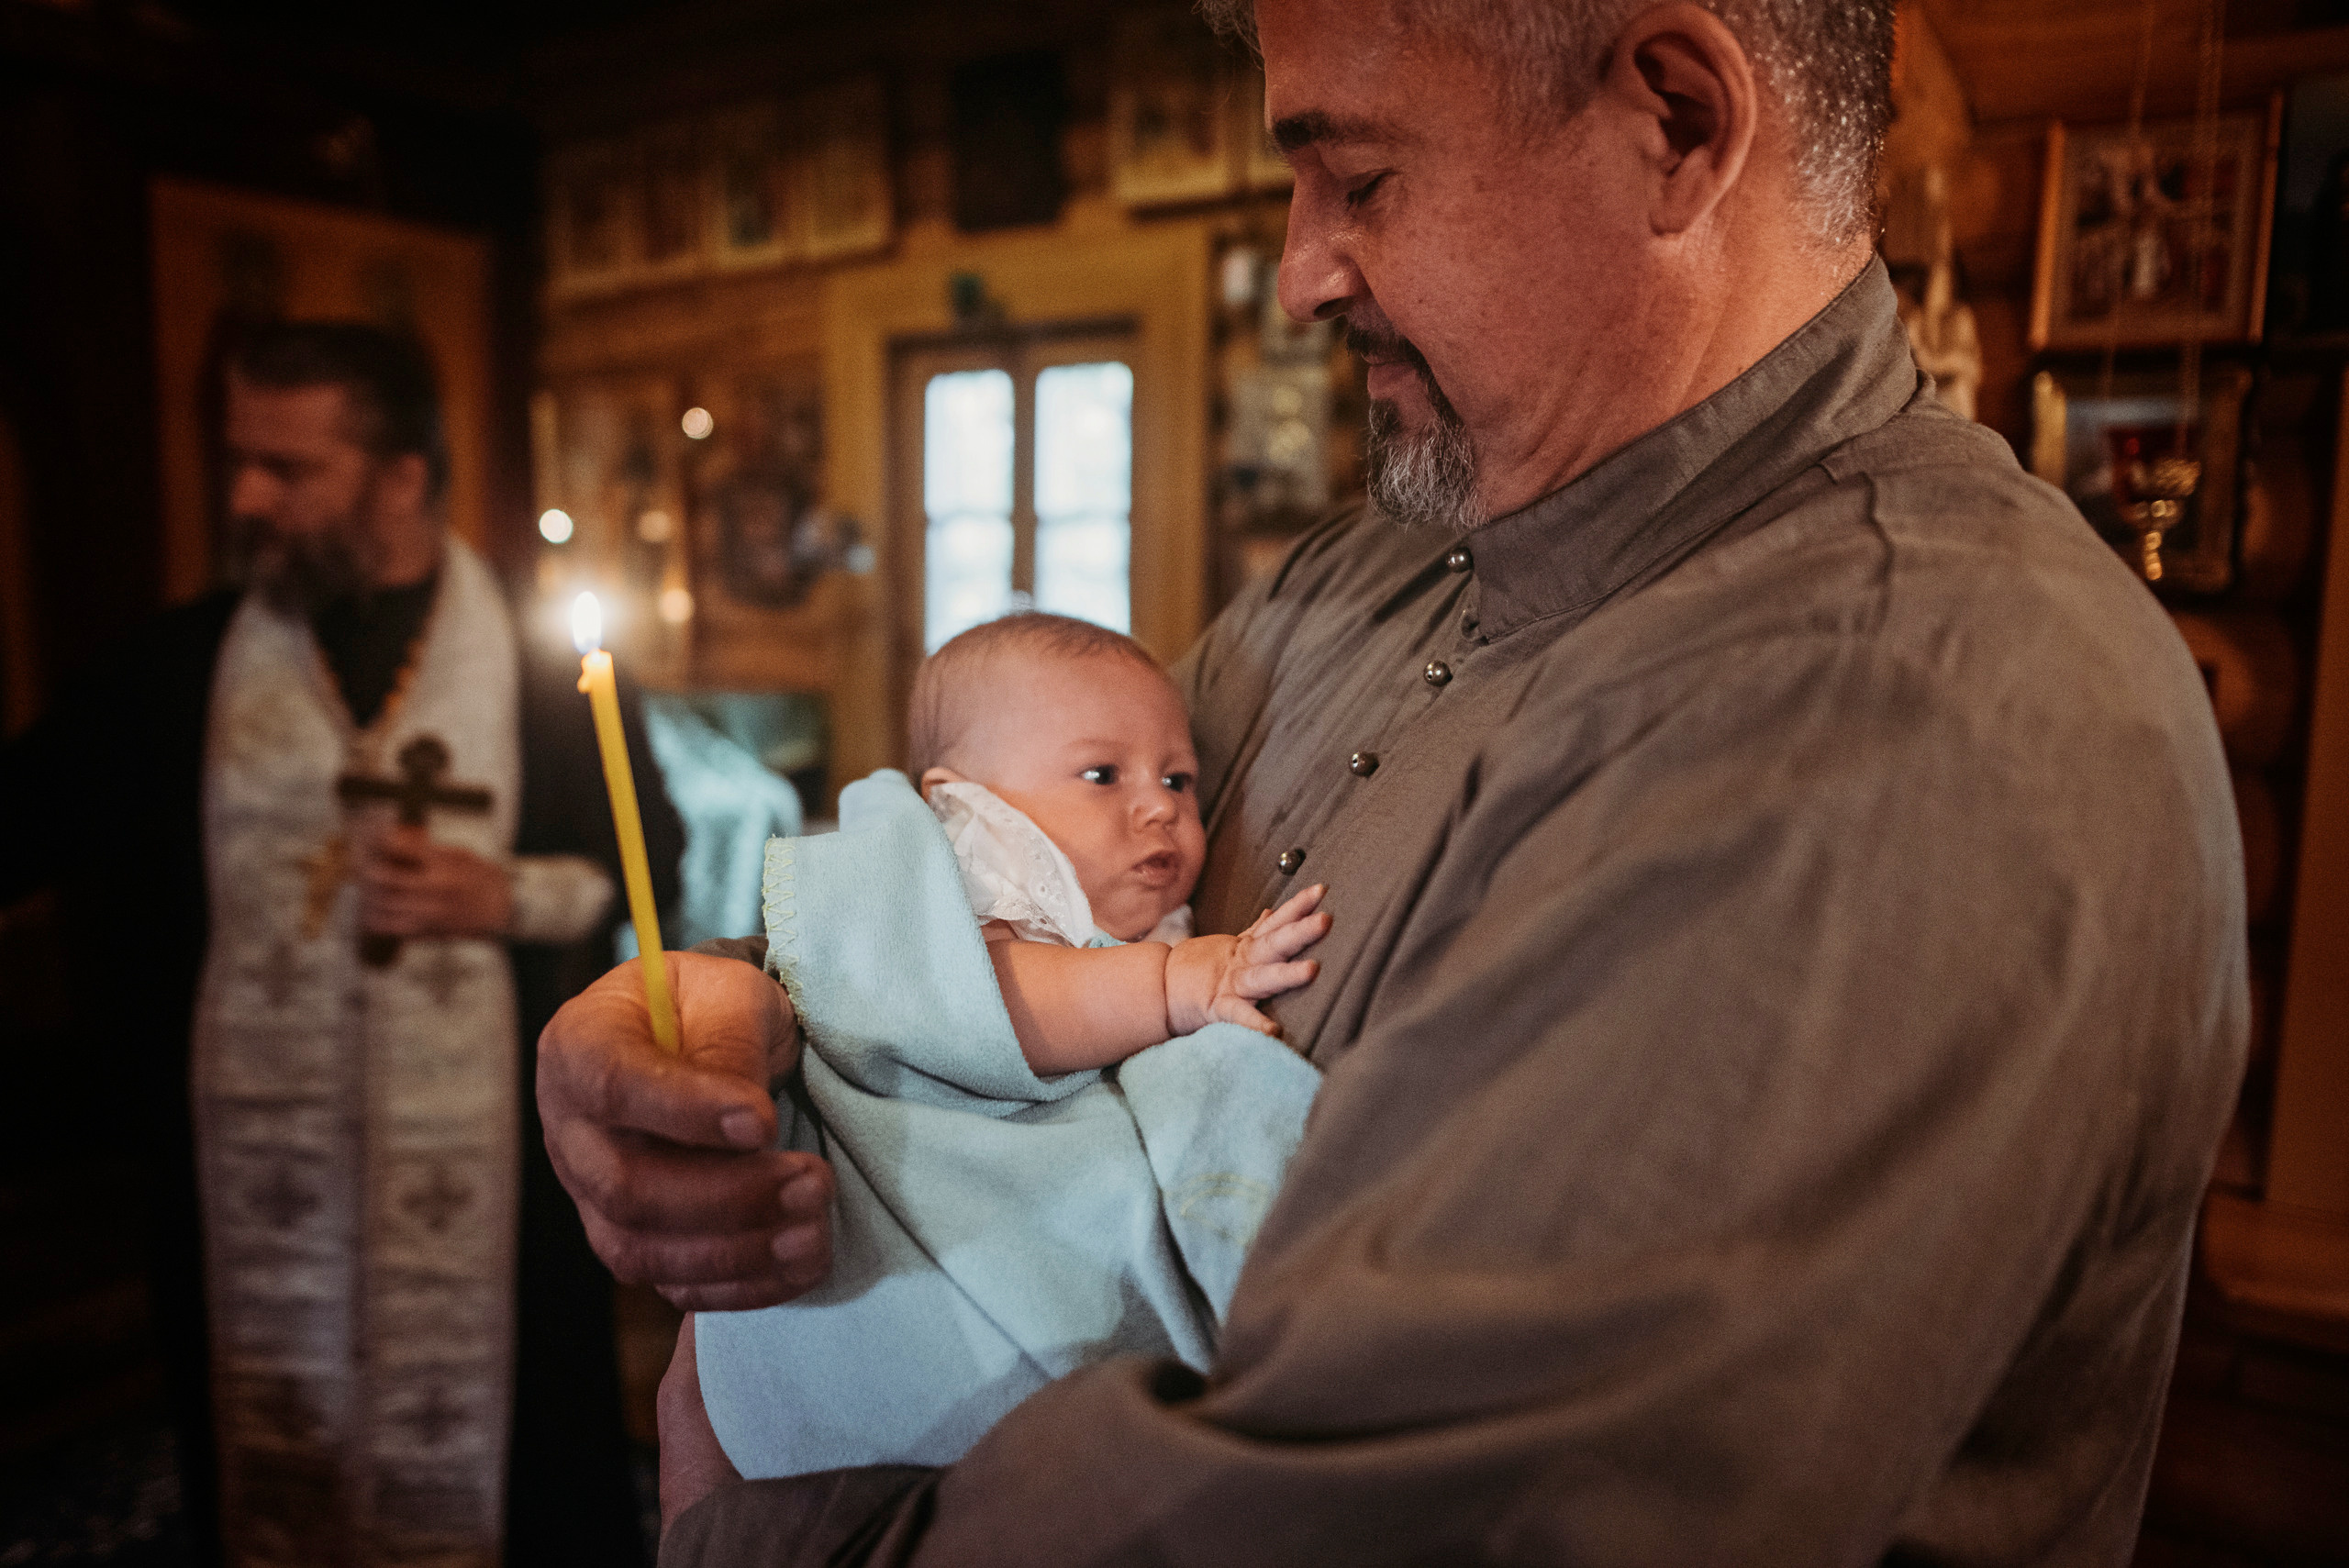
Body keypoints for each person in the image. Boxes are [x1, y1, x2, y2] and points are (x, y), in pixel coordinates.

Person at [538, 0, 2251, 1561]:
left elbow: (1412, 1516)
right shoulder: (1353, 583)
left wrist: (754, 1533)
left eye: (1357, 177)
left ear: (1674, 122)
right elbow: (1020, 886)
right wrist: (729, 1011)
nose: (1300, 270)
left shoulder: (1905, 702)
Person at [0, 321, 681, 1568]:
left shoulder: (549, 674)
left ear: (403, 479)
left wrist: (507, 893)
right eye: (240, 461)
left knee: (529, 1496)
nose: (248, 496)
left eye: (290, 469)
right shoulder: (178, 669)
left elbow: (646, 864)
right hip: (250, 1185)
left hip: (501, 1197)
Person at [692, 613, 1327, 1486]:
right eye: (1102, 773)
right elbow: (991, 1004)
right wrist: (1175, 983)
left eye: (1179, 778)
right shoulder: (983, 874)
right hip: (930, 1203)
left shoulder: (1134, 914)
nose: (1160, 806)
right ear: (969, 802)